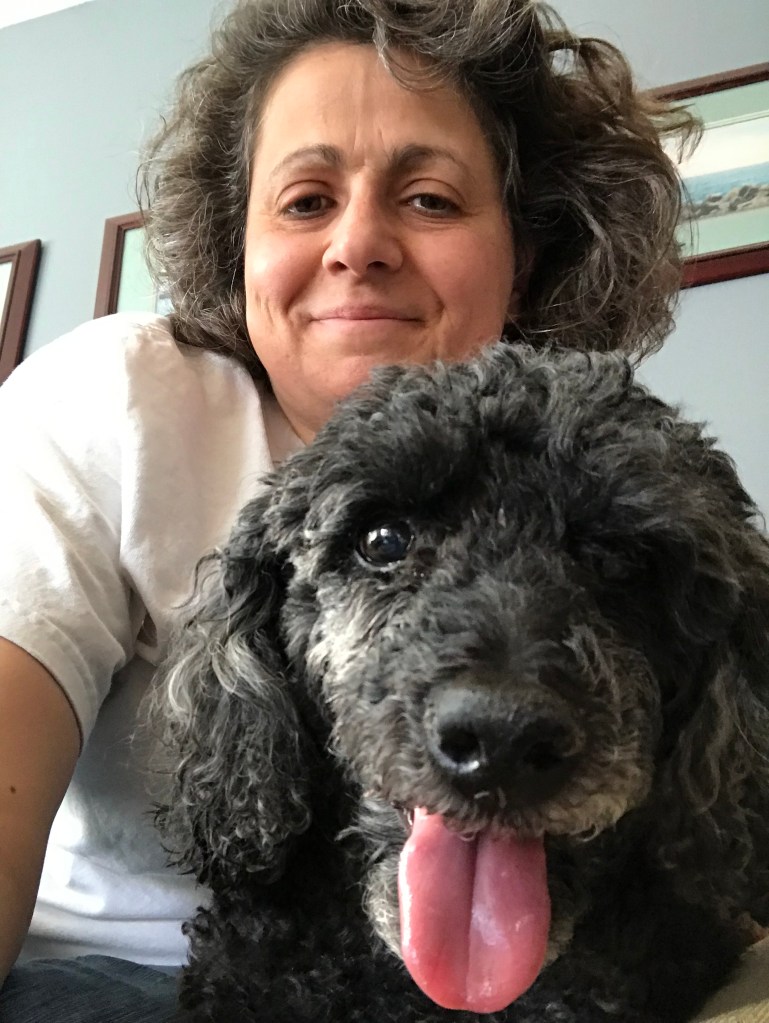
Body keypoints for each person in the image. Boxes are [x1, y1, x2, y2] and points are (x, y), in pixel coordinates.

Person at [0, 0, 697, 1019]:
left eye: (428, 199)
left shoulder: (605, 455)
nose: (358, 242)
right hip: (110, 968)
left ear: (526, 247)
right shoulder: (116, 400)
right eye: (304, 200)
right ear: (237, 248)